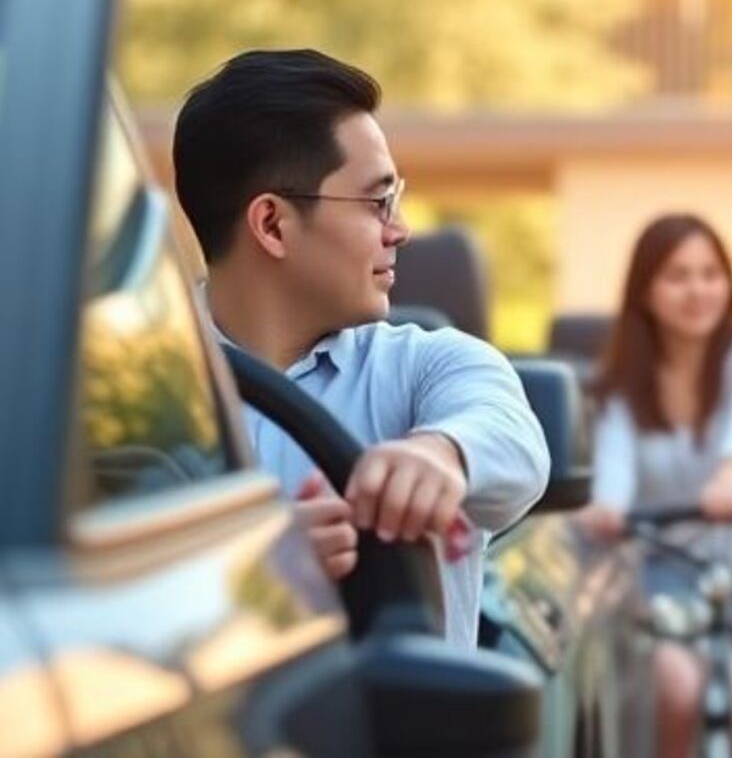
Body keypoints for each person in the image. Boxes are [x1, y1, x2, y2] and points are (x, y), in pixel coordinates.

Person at [172, 49, 550, 648]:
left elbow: (512, 439)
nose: (399, 230)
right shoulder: (123, 395)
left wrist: (439, 456)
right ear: (272, 225)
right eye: (378, 203)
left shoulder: (430, 366)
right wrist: (242, 575)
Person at [578, 214, 732, 758]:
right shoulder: (621, 388)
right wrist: (606, 509)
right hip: (669, 575)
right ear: (646, 291)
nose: (698, 291)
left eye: (711, 274)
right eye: (677, 276)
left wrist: (729, 475)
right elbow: (614, 474)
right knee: (678, 691)